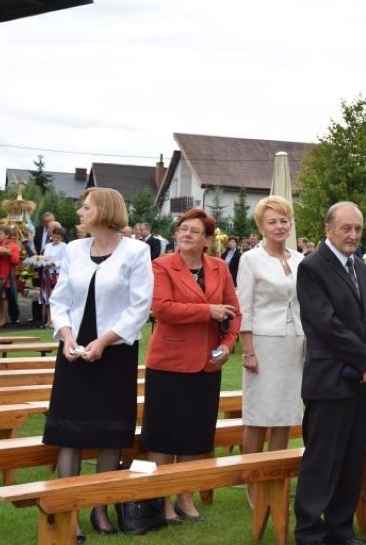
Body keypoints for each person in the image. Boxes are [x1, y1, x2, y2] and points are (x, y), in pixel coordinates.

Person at [42, 187, 153, 542]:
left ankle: (101, 508)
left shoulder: (137, 251)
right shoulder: (74, 249)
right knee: (69, 433)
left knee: (110, 433)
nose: (79, 212)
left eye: (85, 207)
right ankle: (69, 511)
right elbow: (59, 299)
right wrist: (66, 336)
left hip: (115, 350)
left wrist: (104, 341)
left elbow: (140, 306)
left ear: (103, 211)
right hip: (74, 349)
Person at [293, 201, 366, 545]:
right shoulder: (313, 267)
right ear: (328, 229)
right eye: (346, 228)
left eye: (358, 229)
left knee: (350, 464)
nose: (353, 235)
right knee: (322, 464)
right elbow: (326, 325)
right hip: (329, 382)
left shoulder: (361, 267)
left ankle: (339, 532)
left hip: (360, 384)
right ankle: (309, 534)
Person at [142, 208, 241, 523]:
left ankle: (185, 497)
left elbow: (234, 312)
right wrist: (207, 311)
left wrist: (227, 345)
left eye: (194, 231)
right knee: (163, 435)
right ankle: (163, 501)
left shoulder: (220, 268)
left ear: (207, 240)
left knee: (194, 436)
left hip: (207, 365)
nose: (186, 234)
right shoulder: (161, 266)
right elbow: (161, 309)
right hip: (169, 365)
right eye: (182, 229)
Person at [236, 196, 305, 507]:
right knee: (258, 415)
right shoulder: (251, 259)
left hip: (295, 342)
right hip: (263, 343)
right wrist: (248, 350)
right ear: (261, 227)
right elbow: (244, 306)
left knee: (284, 414)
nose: (280, 226)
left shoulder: (300, 259)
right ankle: (251, 480)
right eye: (273, 221)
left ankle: (276, 479)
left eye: (284, 220)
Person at [0, 225, 20, 328]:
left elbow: (16, 261)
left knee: (4, 298)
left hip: (5, 275)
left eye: (1, 233)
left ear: (7, 235)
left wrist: (8, 254)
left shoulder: (13, 246)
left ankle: (2, 320)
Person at [40, 225, 69, 329]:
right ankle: (48, 320)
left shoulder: (64, 246)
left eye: (58, 237)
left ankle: (54, 321)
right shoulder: (47, 246)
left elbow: (64, 262)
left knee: (55, 297)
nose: (56, 239)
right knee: (46, 298)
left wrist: (53, 263)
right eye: (54, 236)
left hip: (56, 274)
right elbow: (43, 257)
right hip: (46, 273)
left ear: (61, 238)